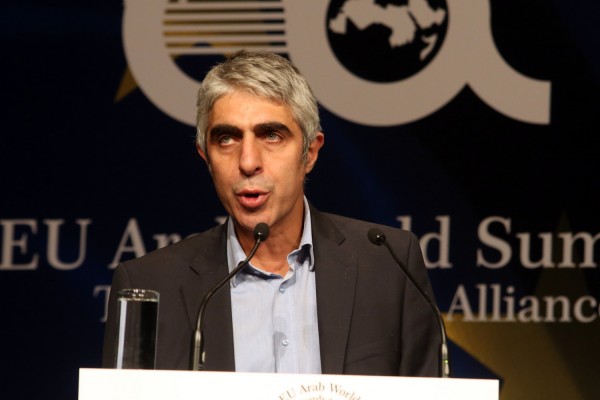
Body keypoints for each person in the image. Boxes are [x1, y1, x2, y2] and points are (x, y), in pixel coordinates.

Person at [103, 51, 440, 376]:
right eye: (227, 139)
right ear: (206, 157)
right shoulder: (150, 286)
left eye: (272, 135)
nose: (248, 162)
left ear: (310, 153)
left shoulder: (389, 266)